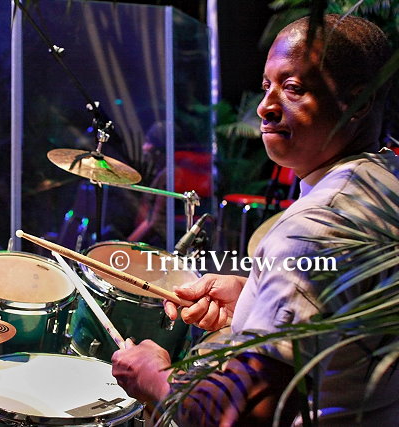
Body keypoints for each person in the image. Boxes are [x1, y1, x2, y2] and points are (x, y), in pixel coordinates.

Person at [111, 14, 399, 425]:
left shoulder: (315, 228)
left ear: (359, 102)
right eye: (267, 87)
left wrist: (154, 376)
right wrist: (253, 297)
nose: (265, 106)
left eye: (293, 88)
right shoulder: (385, 179)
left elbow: (246, 415)